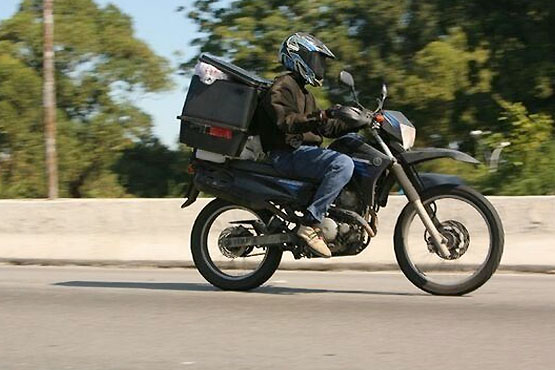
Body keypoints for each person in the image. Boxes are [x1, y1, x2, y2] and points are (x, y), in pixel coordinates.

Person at [257, 32, 364, 258]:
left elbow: (325, 130)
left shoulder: (304, 93)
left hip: (302, 153)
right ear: (299, 57)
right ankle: (311, 223)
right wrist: (322, 115)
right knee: (342, 164)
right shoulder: (281, 86)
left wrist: (357, 122)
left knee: (351, 149)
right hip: (285, 154)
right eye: (317, 60)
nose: (320, 67)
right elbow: (286, 121)